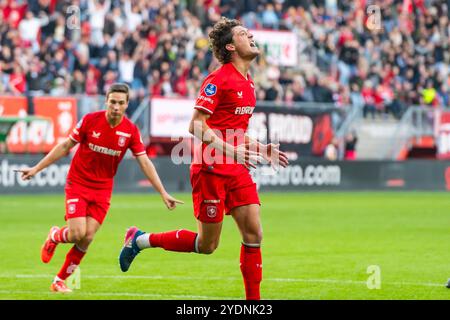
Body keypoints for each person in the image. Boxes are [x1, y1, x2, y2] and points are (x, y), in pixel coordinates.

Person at [118, 17, 289, 300]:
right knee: (207, 245)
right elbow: (195, 125)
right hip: (211, 168)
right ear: (231, 46)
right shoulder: (218, 79)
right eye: (244, 34)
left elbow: (235, 132)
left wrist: (261, 148)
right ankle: (140, 239)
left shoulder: (248, 83)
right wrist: (232, 151)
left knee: (254, 234)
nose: (251, 36)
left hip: (236, 169)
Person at [18, 83, 183, 293]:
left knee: (87, 238)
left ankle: (59, 280)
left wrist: (163, 192)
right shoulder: (90, 120)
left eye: (120, 103)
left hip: (103, 189)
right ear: (106, 101)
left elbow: (145, 162)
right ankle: (55, 236)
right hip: (78, 183)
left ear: (126, 105)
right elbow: (65, 146)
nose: (116, 106)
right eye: (112, 102)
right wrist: (37, 168)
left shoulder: (130, 131)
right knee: (77, 233)